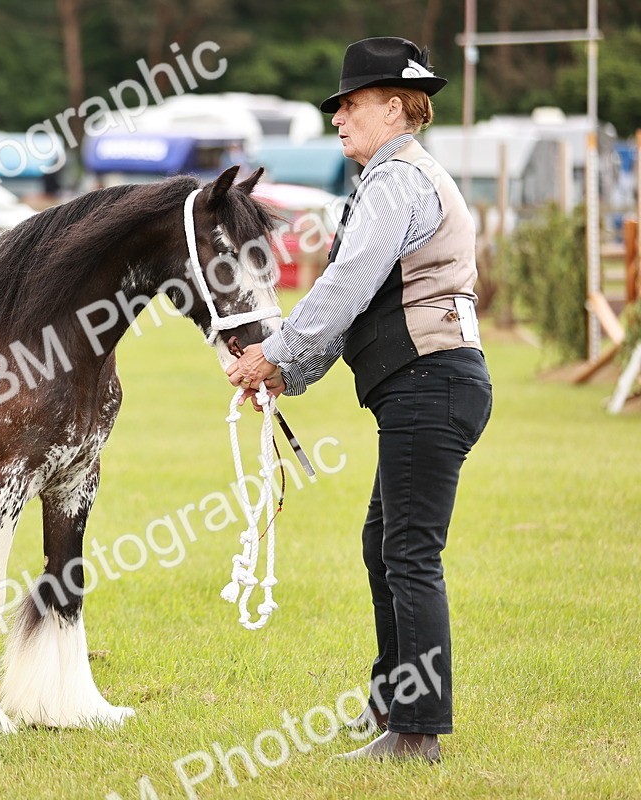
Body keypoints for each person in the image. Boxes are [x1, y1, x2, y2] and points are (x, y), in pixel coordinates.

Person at [227, 37, 493, 763]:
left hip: (430, 384)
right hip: (430, 383)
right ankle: (392, 703)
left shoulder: (395, 179)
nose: (338, 118)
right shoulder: (396, 176)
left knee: (407, 554)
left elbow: (346, 285)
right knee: (386, 547)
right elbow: (359, 303)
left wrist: (276, 352)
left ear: (394, 108)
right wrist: (289, 373)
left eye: (350, 105)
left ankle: (417, 730)